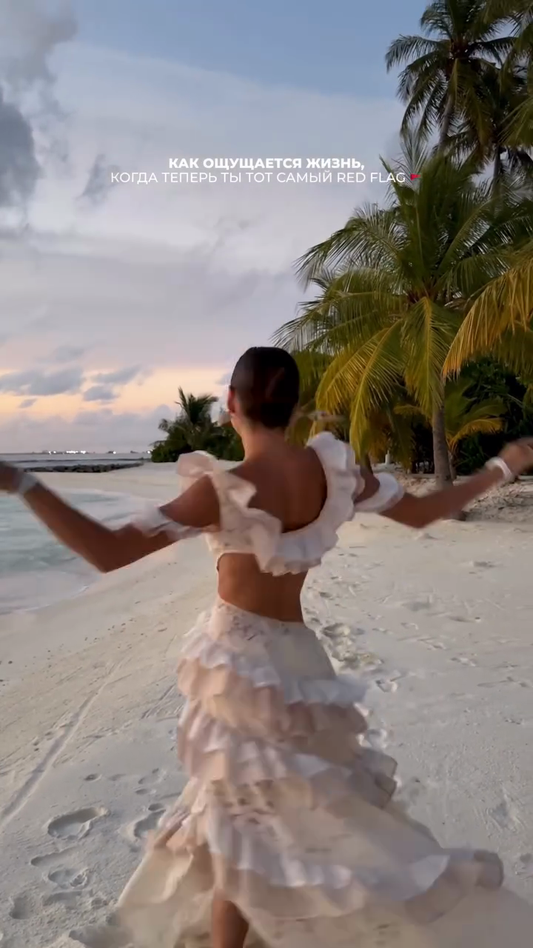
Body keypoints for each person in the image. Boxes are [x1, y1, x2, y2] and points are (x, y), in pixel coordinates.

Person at [1, 346, 533, 948]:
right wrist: (500, 468)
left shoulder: (225, 490)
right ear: (295, 408)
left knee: (240, 826)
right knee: (263, 819)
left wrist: (23, 482)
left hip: (239, 671)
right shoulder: (333, 474)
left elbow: (105, 551)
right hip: (301, 664)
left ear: (231, 404)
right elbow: (423, 513)